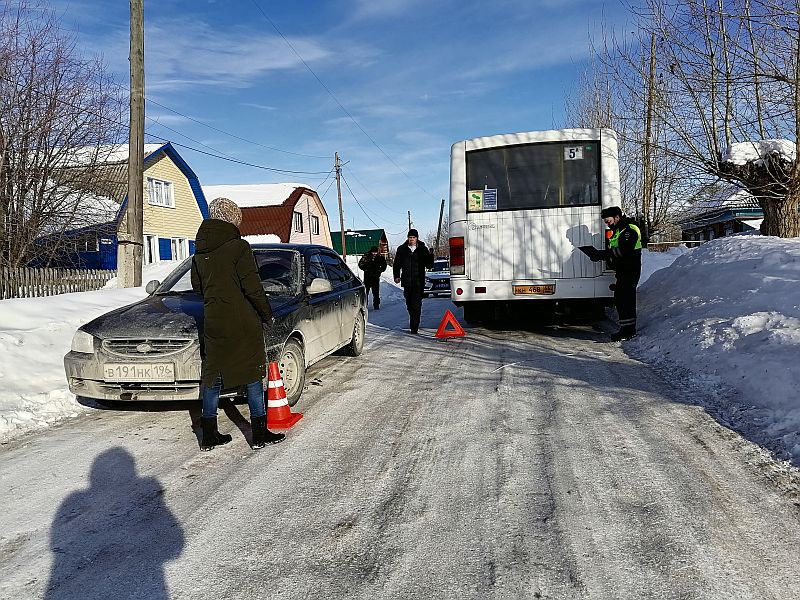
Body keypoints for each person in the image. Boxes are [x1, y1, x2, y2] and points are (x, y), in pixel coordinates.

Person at [191, 197, 285, 451]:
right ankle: (259, 433)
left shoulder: (200, 251)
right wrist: (266, 314)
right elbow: (253, 287)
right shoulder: (238, 247)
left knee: (213, 376)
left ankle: (209, 434)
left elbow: (197, 287)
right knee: (252, 374)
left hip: (214, 320)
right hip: (242, 321)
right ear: (232, 220)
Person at [589, 206, 642, 341]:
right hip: (622, 271)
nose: (607, 224)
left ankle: (629, 331)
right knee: (620, 300)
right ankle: (625, 329)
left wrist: (601, 255)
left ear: (617, 217)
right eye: (606, 222)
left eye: (609, 221)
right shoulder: (619, 230)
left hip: (630, 271)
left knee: (626, 301)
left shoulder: (629, 229)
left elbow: (623, 251)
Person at [393, 229, 434, 333]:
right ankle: (413, 320)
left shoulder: (422, 249)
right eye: (410, 237)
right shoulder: (402, 249)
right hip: (406, 281)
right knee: (409, 304)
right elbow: (396, 264)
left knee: (416, 304)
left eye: (413, 238)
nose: (411, 239)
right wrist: (396, 276)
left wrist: (431, 255)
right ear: (408, 238)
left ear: (417, 238)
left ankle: (414, 326)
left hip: (418, 281)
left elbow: (429, 265)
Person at [358, 245, 387, 310]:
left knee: (376, 292)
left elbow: (384, 265)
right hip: (367, 277)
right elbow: (360, 264)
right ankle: (365, 305)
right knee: (365, 292)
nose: (374, 253)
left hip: (375, 277)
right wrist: (365, 268)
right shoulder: (366, 256)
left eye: (375, 252)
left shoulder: (380, 257)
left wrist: (380, 270)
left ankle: (376, 305)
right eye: (373, 252)